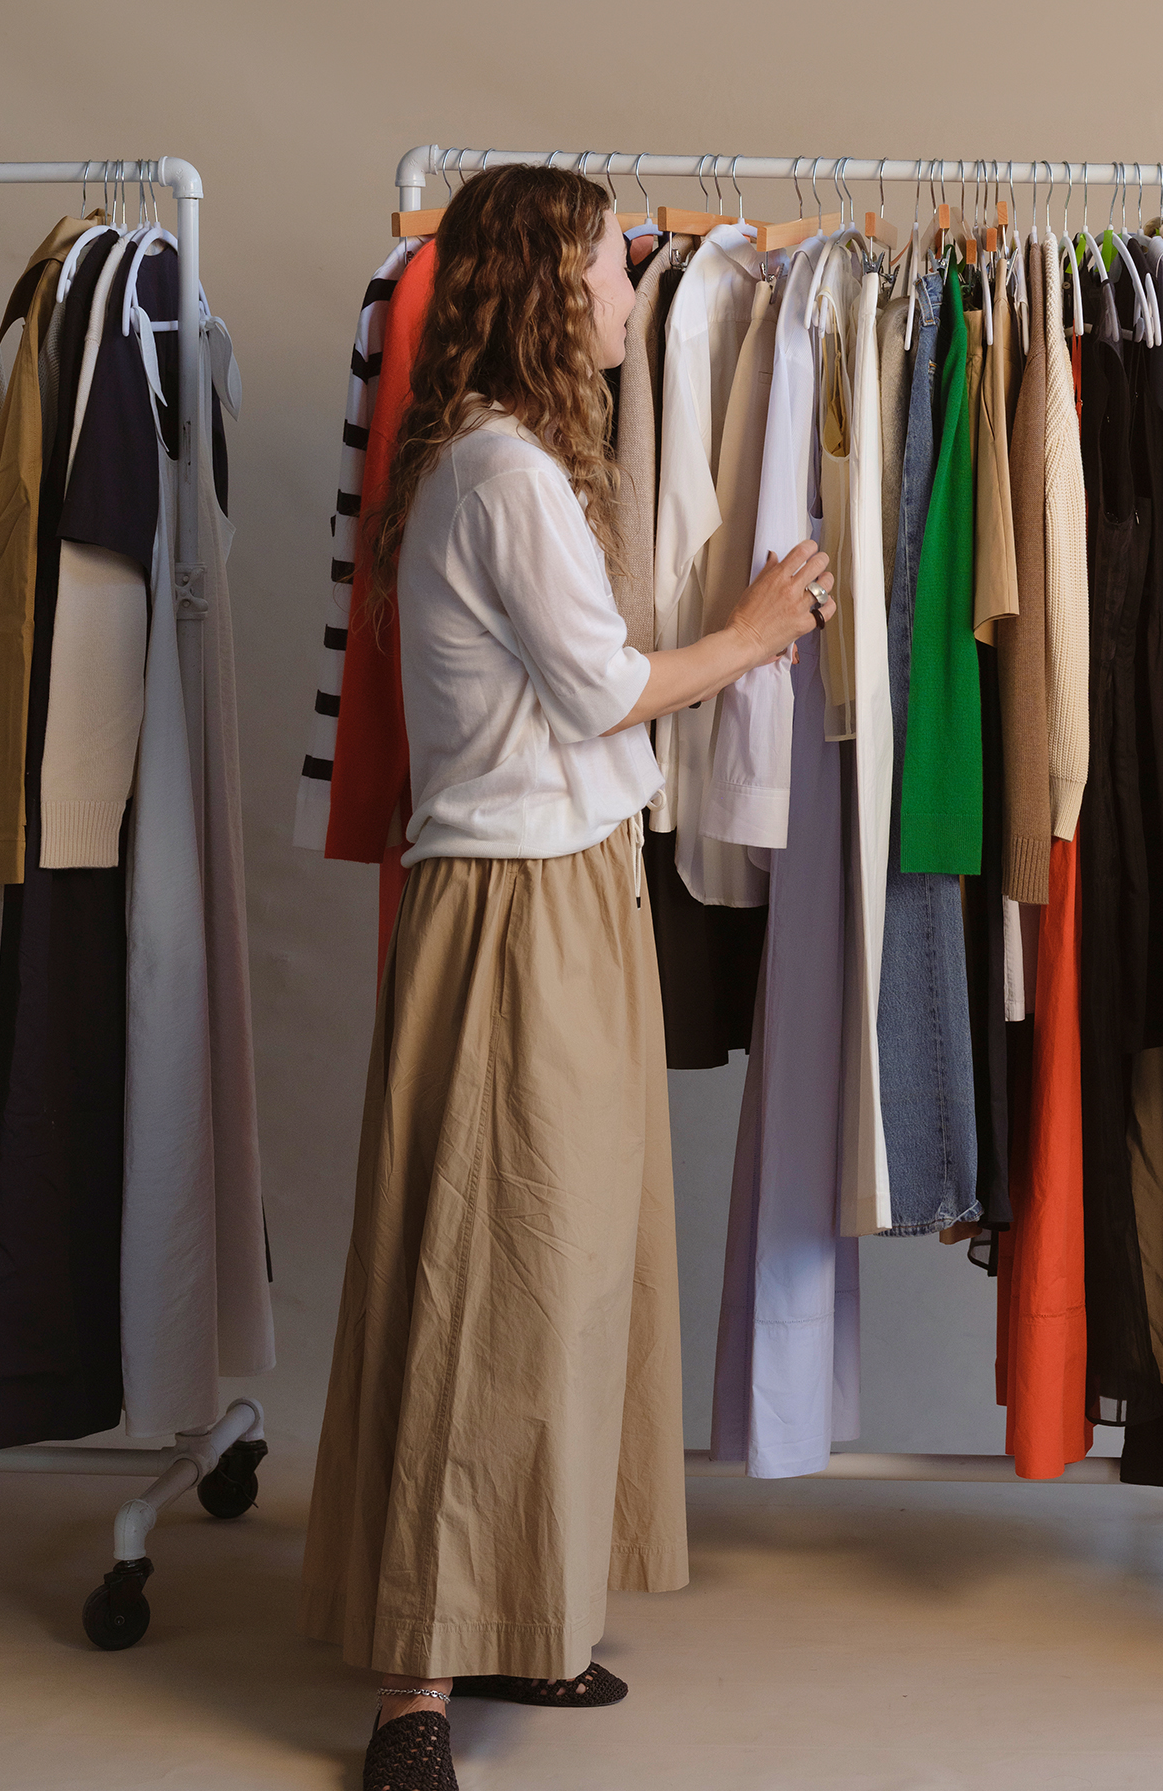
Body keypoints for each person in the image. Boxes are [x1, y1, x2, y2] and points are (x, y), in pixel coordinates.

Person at [301, 165, 836, 1791]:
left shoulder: (508, 460)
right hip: (516, 907)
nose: (627, 291)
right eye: (609, 267)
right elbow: (604, 692)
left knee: (573, 1266)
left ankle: (521, 1609)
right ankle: (415, 1687)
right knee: (488, 1273)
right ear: (546, 287)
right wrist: (754, 631)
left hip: (567, 890)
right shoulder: (504, 471)